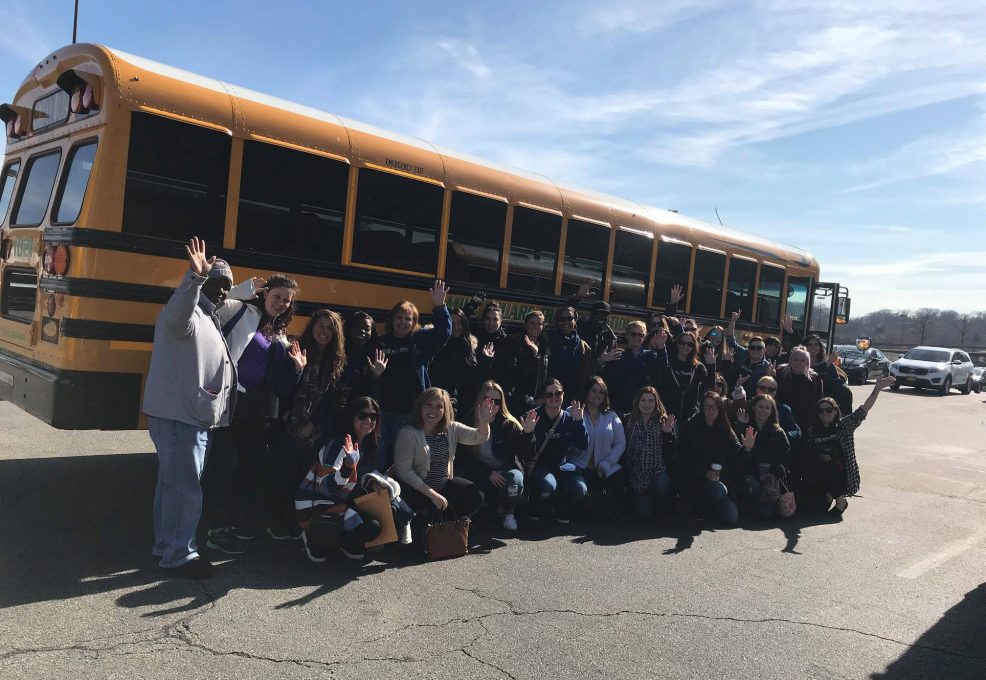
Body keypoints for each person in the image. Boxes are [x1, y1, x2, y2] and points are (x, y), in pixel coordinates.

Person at [145, 237, 237, 578]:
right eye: (218, 284)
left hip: (189, 416)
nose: (223, 292)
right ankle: (180, 555)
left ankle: (165, 546)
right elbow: (177, 314)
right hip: (180, 418)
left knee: (172, 485)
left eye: (227, 287)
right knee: (185, 488)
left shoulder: (208, 315)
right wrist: (195, 278)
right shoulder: (184, 314)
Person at [205, 272, 305, 550]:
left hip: (255, 409)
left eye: (287, 300)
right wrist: (240, 290)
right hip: (229, 401)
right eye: (277, 297)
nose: (282, 303)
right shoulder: (241, 311)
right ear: (264, 295)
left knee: (256, 466)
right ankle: (216, 529)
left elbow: (281, 386)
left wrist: (297, 369)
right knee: (225, 463)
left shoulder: (279, 334)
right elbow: (210, 308)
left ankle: (240, 522)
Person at [297, 396, 412, 561]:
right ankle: (312, 534)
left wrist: (372, 481)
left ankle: (342, 541)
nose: (369, 420)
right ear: (351, 417)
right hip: (316, 504)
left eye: (374, 416)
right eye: (362, 415)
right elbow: (326, 487)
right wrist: (347, 468)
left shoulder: (368, 443)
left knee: (375, 527)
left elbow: (363, 475)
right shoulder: (338, 445)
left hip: (343, 501)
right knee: (369, 529)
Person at [270, 309, 347, 542]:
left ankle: (296, 521)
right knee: (286, 472)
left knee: (305, 477)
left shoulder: (335, 363)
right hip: (287, 425)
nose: (324, 332)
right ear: (312, 327)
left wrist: (313, 425)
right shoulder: (296, 351)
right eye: (320, 326)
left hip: (313, 430)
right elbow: (282, 390)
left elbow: (331, 403)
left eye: (329, 329)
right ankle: (277, 521)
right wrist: (297, 369)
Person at [371, 280, 452, 470]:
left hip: (408, 412)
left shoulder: (420, 343)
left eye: (408, 319)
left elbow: (443, 333)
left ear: (414, 323)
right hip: (382, 410)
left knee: (402, 461)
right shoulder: (380, 342)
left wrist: (440, 306)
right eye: (399, 317)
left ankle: (398, 496)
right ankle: (374, 495)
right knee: (378, 455)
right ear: (392, 320)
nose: (403, 322)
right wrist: (375, 375)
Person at [795, 376, 895, 516]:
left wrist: (876, 389)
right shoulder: (813, 431)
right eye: (821, 410)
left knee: (830, 469)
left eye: (828, 410)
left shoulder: (844, 426)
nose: (824, 413)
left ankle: (840, 501)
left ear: (835, 411)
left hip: (840, 473)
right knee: (813, 508)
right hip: (818, 473)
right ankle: (827, 495)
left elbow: (863, 410)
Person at [392, 387, 494, 526]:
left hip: (443, 485)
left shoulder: (451, 428)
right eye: (428, 405)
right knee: (417, 513)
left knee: (476, 495)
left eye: (439, 406)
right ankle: (425, 527)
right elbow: (403, 471)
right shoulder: (408, 433)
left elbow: (479, 437)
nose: (433, 410)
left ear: (445, 410)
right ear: (420, 406)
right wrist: (432, 495)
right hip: (417, 489)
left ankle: (445, 525)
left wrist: (484, 421)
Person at [460, 381, 538, 531]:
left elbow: (526, 455)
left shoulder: (508, 424)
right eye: (488, 399)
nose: (492, 404)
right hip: (478, 469)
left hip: (504, 469)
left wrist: (528, 434)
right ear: (481, 399)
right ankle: (468, 514)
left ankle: (507, 510)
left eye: (497, 401)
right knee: (461, 479)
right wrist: (487, 473)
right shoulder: (468, 419)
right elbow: (463, 457)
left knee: (515, 481)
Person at [672, 391, 742, 526]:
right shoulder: (691, 426)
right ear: (701, 408)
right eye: (706, 406)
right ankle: (696, 504)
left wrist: (747, 448)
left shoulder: (725, 427)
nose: (710, 410)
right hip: (695, 479)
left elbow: (736, 454)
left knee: (731, 517)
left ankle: (710, 507)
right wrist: (704, 472)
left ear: (720, 408)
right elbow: (684, 458)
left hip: (721, 478)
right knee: (718, 490)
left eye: (714, 406)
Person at [527, 380, 589, 523]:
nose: (554, 397)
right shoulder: (532, 416)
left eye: (558, 393)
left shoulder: (570, 418)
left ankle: (560, 505)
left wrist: (579, 421)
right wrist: (527, 432)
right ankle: (536, 504)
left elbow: (583, 445)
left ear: (563, 394)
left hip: (561, 465)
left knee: (580, 490)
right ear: (543, 397)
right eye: (549, 394)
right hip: (539, 466)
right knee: (548, 487)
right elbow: (523, 449)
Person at [567, 376, 626, 518]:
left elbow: (620, 443)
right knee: (578, 491)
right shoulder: (572, 410)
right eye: (593, 391)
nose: (597, 395)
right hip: (579, 465)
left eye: (601, 392)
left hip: (605, 466)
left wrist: (606, 464)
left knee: (622, 482)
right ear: (586, 392)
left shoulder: (611, 416)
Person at [732, 395, 791, 519]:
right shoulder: (746, 427)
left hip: (770, 478)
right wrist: (742, 428)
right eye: (760, 406)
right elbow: (736, 458)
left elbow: (786, 455)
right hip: (751, 476)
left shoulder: (778, 432)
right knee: (751, 484)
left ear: (772, 411)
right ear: (753, 407)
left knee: (766, 515)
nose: (763, 410)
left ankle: (764, 504)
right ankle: (748, 504)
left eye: (767, 408)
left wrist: (777, 471)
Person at [621, 387, 677, 519]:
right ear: (637, 402)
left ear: (656, 403)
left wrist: (667, 434)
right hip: (636, 474)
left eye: (651, 401)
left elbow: (672, 452)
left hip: (657, 472)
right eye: (643, 400)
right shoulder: (628, 421)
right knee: (643, 512)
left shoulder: (663, 421)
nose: (647, 404)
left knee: (662, 485)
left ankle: (660, 502)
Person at [604, 320, 667, 415]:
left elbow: (664, 367)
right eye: (633, 334)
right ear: (627, 335)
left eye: (641, 335)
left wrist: (662, 346)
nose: (637, 337)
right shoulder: (617, 356)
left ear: (645, 336)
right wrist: (602, 361)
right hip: (620, 408)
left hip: (643, 409)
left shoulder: (651, 356)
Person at [653, 331, 714, 424]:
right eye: (682, 343)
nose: (685, 346)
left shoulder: (698, 366)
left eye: (689, 344)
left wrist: (711, 365)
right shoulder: (668, 362)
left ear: (693, 347)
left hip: (689, 417)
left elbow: (709, 384)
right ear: (677, 344)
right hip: (667, 415)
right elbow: (658, 377)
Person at [429, 307, 484, 407]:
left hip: (460, 401)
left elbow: (474, 375)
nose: (456, 327)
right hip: (437, 399)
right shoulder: (436, 343)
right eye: (452, 323)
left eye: (459, 323)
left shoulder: (468, 346)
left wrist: (486, 359)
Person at [502, 311, 551, 417]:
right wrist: (534, 355)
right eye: (532, 323)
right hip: (519, 400)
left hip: (540, 400)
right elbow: (516, 373)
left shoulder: (545, 346)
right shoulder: (515, 343)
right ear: (526, 325)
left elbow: (546, 374)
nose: (535, 326)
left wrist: (543, 397)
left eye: (539, 323)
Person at [547, 306, 595, 401]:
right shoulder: (548, 341)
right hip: (551, 395)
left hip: (574, 398)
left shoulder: (583, 346)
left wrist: (601, 361)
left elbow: (586, 373)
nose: (566, 322)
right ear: (557, 321)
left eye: (570, 318)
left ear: (575, 320)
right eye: (562, 319)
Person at [775, 346, 824, 433]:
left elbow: (818, 399)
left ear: (807, 362)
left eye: (802, 361)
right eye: (795, 360)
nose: (798, 363)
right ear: (790, 360)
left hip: (805, 420)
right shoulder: (780, 372)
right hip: (782, 418)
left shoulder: (814, 378)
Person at [804, 333, 853, 414]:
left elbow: (837, 381)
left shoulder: (827, 363)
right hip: (809, 395)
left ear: (820, 347)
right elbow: (810, 371)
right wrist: (828, 362)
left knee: (846, 392)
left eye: (816, 344)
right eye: (810, 344)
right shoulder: (802, 360)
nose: (813, 347)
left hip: (827, 397)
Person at [725, 311, 773, 385]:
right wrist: (733, 320)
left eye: (759, 348)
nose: (755, 350)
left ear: (764, 351)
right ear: (748, 348)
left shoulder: (767, 367)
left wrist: (771, 376)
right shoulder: (743, 353)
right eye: (752, 347)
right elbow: (730, 340)